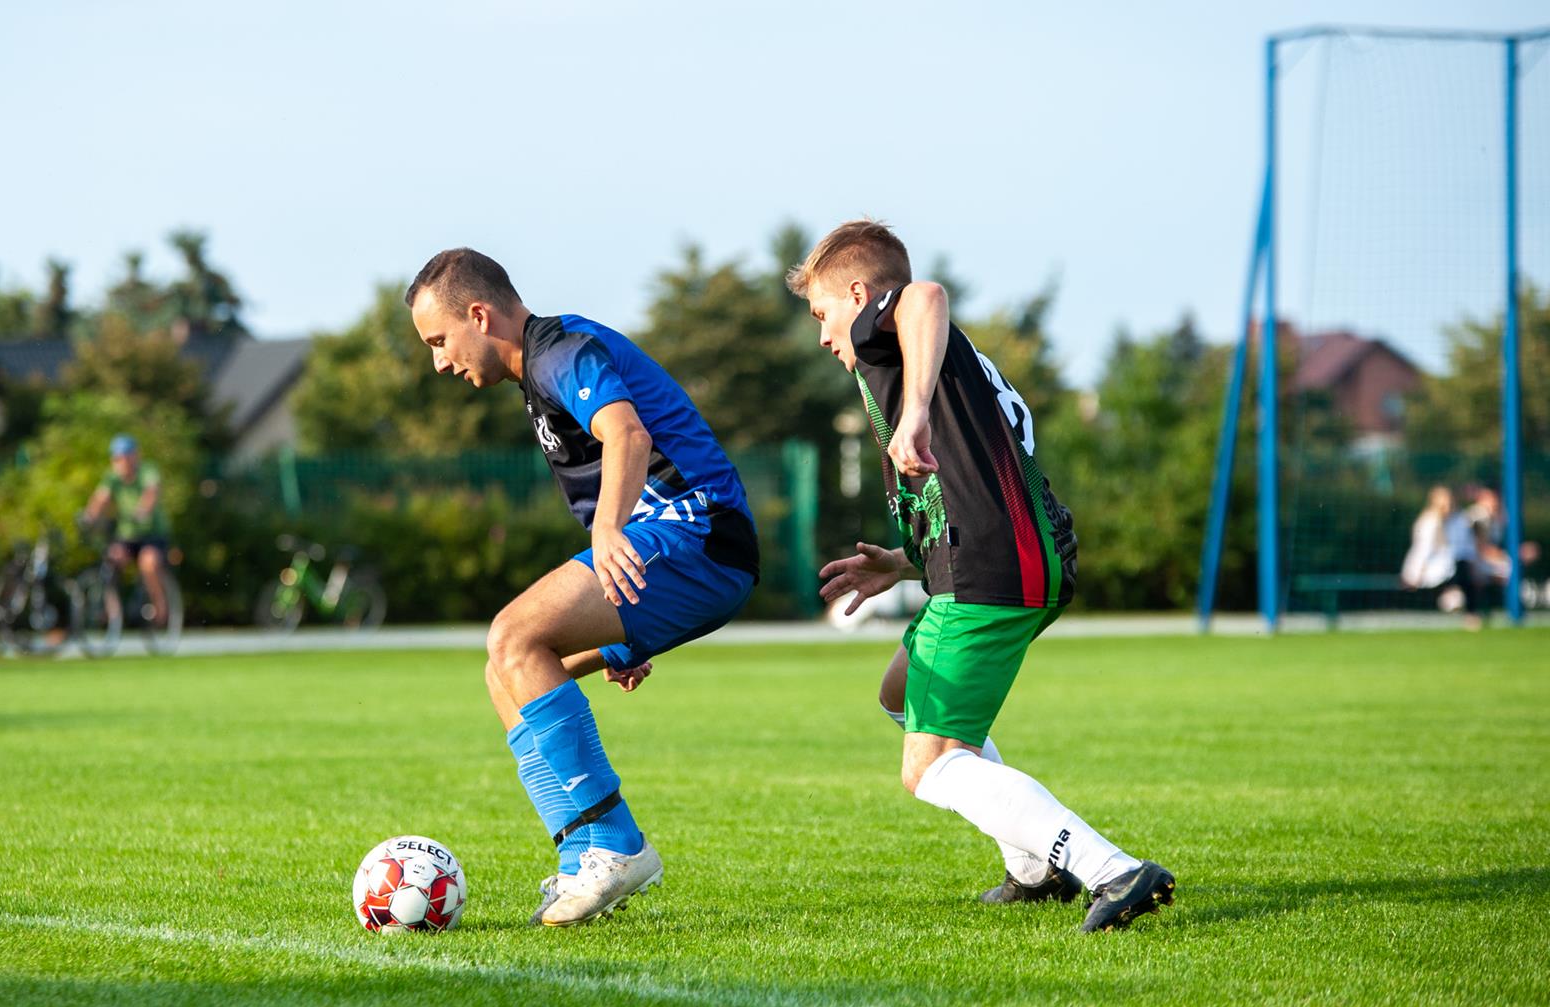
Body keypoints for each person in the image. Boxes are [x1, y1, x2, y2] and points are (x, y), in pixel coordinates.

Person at [790, 220, 1173, 933]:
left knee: (928, 765)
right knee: (900, 692)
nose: (823, 336)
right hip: (1014, 554)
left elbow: (925, 293)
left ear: (859, 292)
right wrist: (905, 561)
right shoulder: (926, 358)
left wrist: (917, 415)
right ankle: (1032, 868)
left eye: (823, 314)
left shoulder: (894, 330)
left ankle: (1107, 867)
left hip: (994, 567)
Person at [405, 248, 760, 926]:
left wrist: (608, 532)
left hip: (700, 532)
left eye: (440, 341)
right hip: (676, 550)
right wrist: (634, 614)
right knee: (509, 671)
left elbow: (625, 432)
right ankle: (580, 855)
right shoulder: (538, 372)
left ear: (479, 315)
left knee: (512, 633)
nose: (440, 362)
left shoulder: (558, 351)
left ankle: (620, 843)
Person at [82, 435, 171, 625]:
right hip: (127, 534)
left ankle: (160, 606)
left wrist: (144, 509)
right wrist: (89, 515)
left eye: (126, 457)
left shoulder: (147, 470)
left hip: (152, 533)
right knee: (112, 559)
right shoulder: (112, 477)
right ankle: (110, 608)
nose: (122, 463)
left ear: (135, 456)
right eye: (118, 458)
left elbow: (151, 492)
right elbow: (100, 498)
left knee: (148, 563)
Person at [1400, 486, 1455, 592]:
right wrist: (1417, 576)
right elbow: (1424, 550)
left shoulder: (1441, 521)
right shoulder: (1430, 522)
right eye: (1447, 504)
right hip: (1424, 574)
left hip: (1430, 572)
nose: (1450, 507)